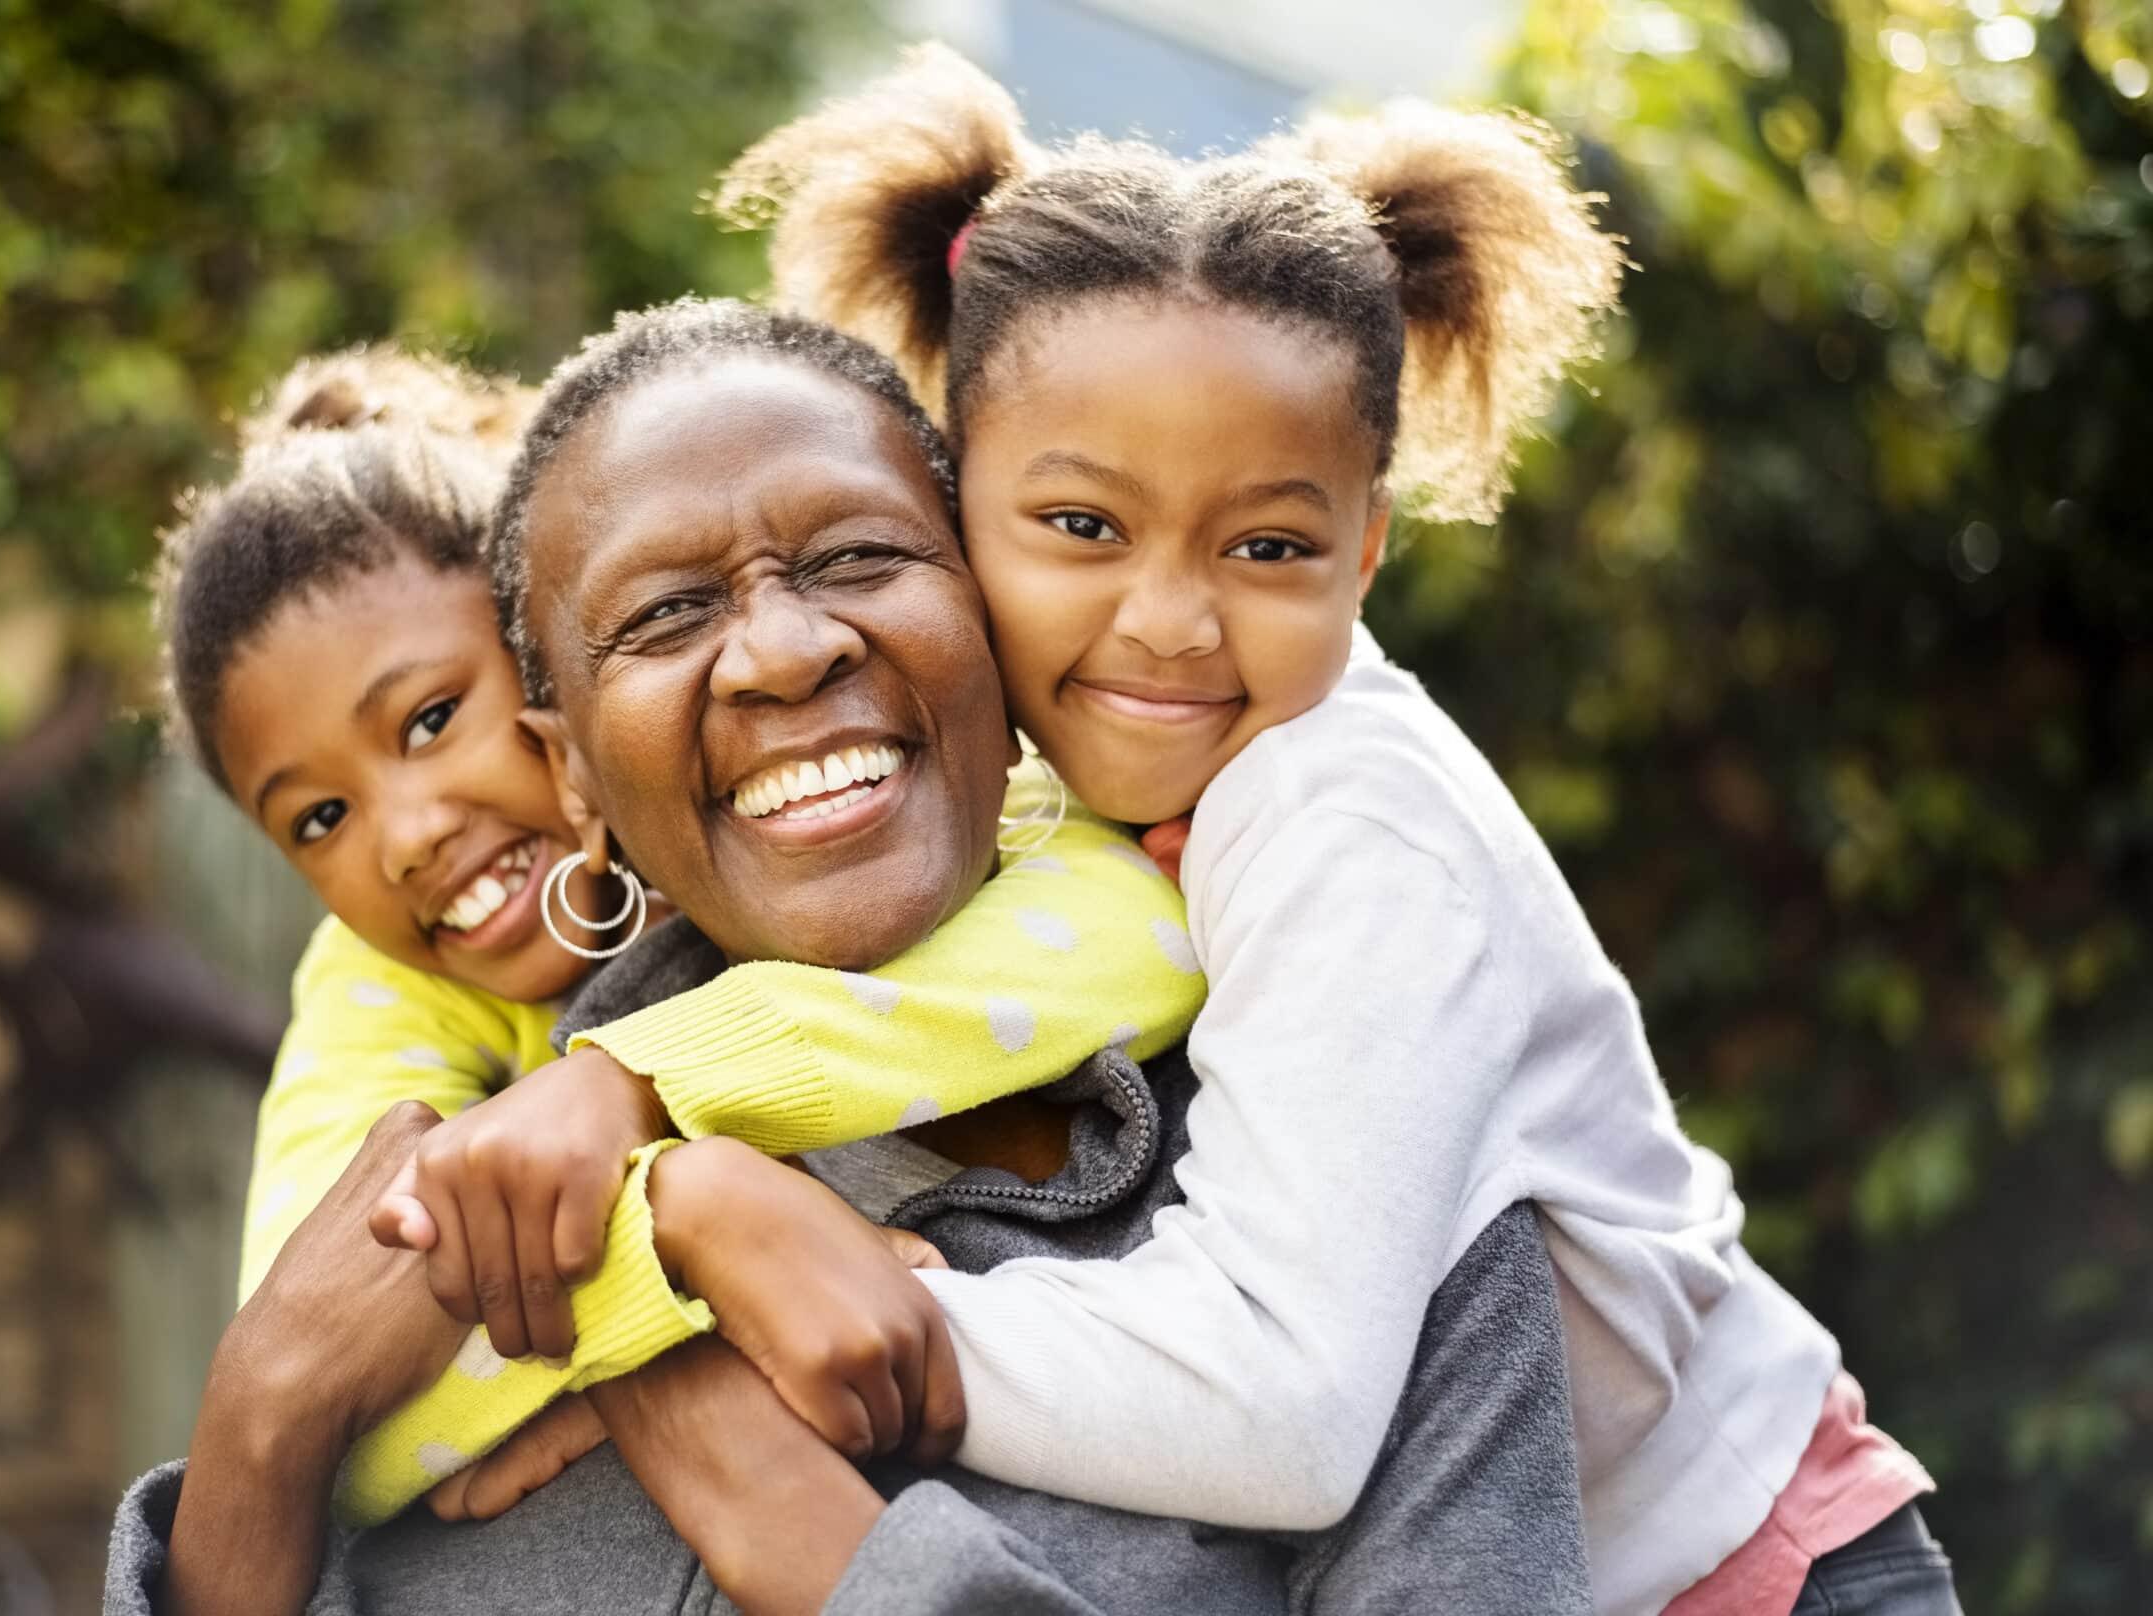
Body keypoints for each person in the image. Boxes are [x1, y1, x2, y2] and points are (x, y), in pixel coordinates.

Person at [712, 41, 1960, 1616]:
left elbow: (1286, 1409)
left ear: (1366, 551)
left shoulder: (1344, 824)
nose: (1167, 622)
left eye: (1268, 544)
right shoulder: (1054, 786)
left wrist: (899, 1321)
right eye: (1083, 526)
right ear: (953, 502)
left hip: (1757, 1578)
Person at [106, 298, 1593, 1616]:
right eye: (667, 614)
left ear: (996, 619)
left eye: (864, 556)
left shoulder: (1352, 1185)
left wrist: (815, 1541)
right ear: (571, 772)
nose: (780, 650)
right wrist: (265, 1424)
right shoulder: (483, 1234)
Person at [149, 343, 1203, 1526]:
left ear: (553, 658)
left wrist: (646, 1089)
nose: (402, 834)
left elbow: (1143, 930)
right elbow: (320, 1343)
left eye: (435, 716)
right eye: (319, 816)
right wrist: (675, 1263)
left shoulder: (930, 786)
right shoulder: (376, 982)